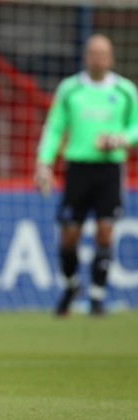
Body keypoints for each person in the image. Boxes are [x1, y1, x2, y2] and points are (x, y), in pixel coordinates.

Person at [35, 34, 138, 316]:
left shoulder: (125, 90)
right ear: (85, 57)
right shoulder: (69, 89)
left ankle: (97, 296)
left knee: (105, 233)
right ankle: (71, 286)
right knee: (69, 236)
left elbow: (136, 127)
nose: (99, 58)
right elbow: (55, 127)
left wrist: (119, 139)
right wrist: (43, 162)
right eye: (94, 53)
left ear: (112, 58)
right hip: (78, 168)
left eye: (104, 53)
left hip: (109, 169)